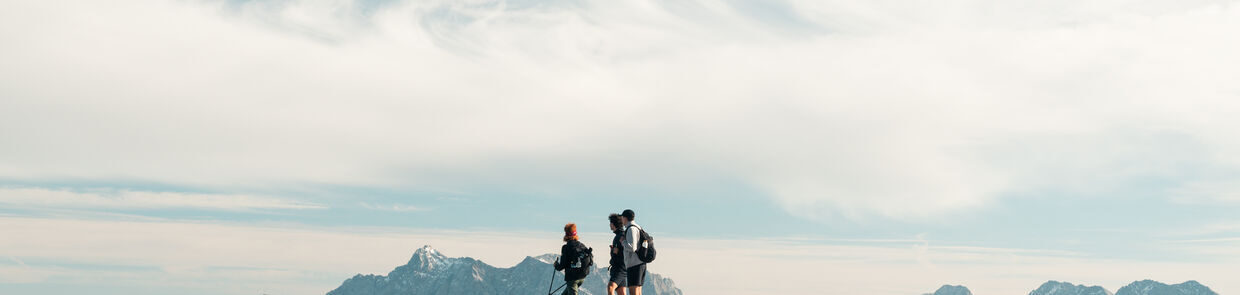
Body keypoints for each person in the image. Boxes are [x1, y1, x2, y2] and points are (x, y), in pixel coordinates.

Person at [554, 223, 590, 295]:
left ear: (566, 234)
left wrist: (556, 265)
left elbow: (562, 265)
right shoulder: (582, 246)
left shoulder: (566, 248)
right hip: (582, 276)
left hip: (572, 278)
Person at [620, 209, 645, 295]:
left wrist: (623, 241)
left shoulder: (631, 229)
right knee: (638, 291)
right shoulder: (638, 227)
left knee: (633, 291)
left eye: (622, 218)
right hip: (640, 263)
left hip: (634, 264)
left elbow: (632, 247)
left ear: (625, 218)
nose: (622, 220)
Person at [607, 213, 628, 295]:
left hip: (619, 268)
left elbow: (626, 251)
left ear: (613, 224)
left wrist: (617, 252)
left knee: (610, 287)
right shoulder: (620, 235)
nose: (609, 225)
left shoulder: (620, 236)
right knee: (621, 292)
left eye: (610, 223)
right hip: (622, 267)